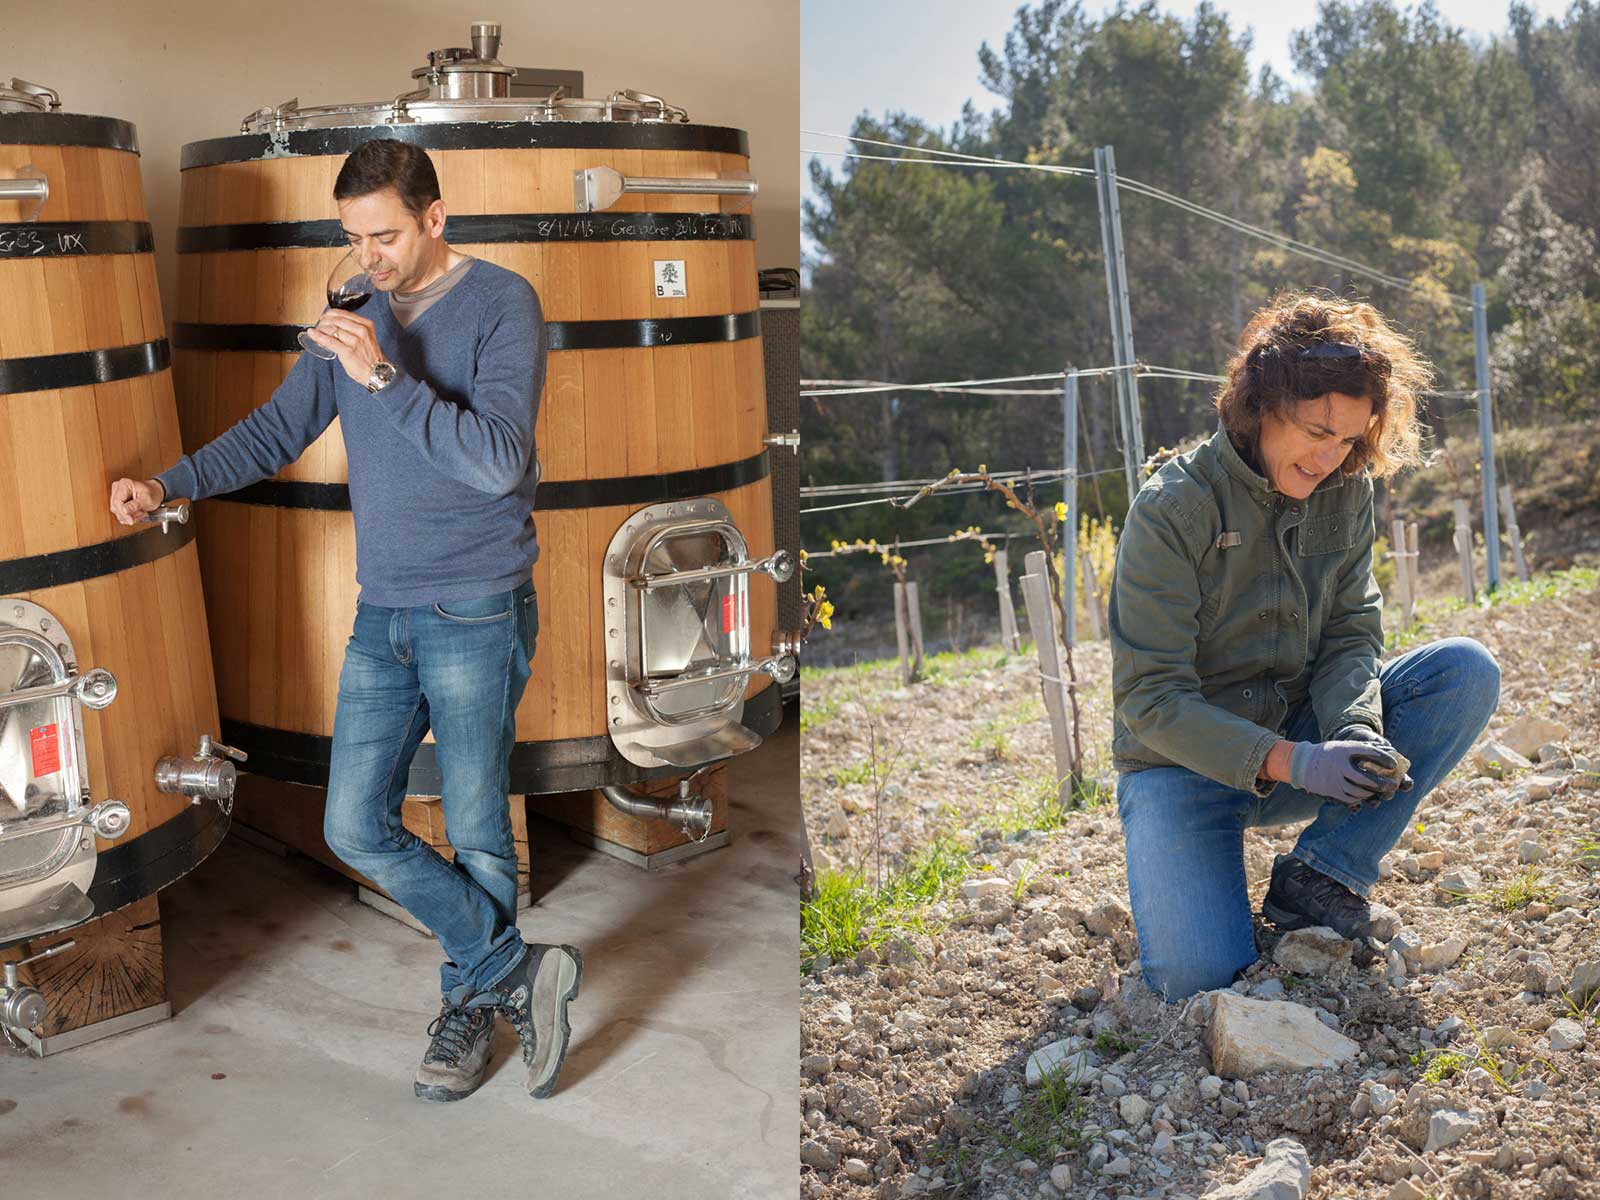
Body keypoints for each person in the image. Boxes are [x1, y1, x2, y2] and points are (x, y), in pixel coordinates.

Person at [108, 138, 582, 1101]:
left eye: (386, 236)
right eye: (354, 238)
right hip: (386, 609)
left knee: (482, 831)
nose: (369, 258)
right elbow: (279, 429)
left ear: (435, 219)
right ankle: (515, 973)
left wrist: (380, 378)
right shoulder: (353, 311)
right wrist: (171, 484)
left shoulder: (502, 304)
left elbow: (498, 462)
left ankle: (466, 1011)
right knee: (354, 824)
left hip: (475, 602)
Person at [1107, 291, 1500, 1003]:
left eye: (1348, 439)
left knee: (1463, 671)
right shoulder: (1172, 510)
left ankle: (1320, 874)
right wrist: (1298, 762)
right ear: (1261, 405)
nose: (1330, 456)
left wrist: (1353, 732)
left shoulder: (1346, 493)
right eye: (1317, 429)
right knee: (1202, 981)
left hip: (1301, 740)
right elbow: (1150, 700)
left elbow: (1352, 632)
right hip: (1180, 768)